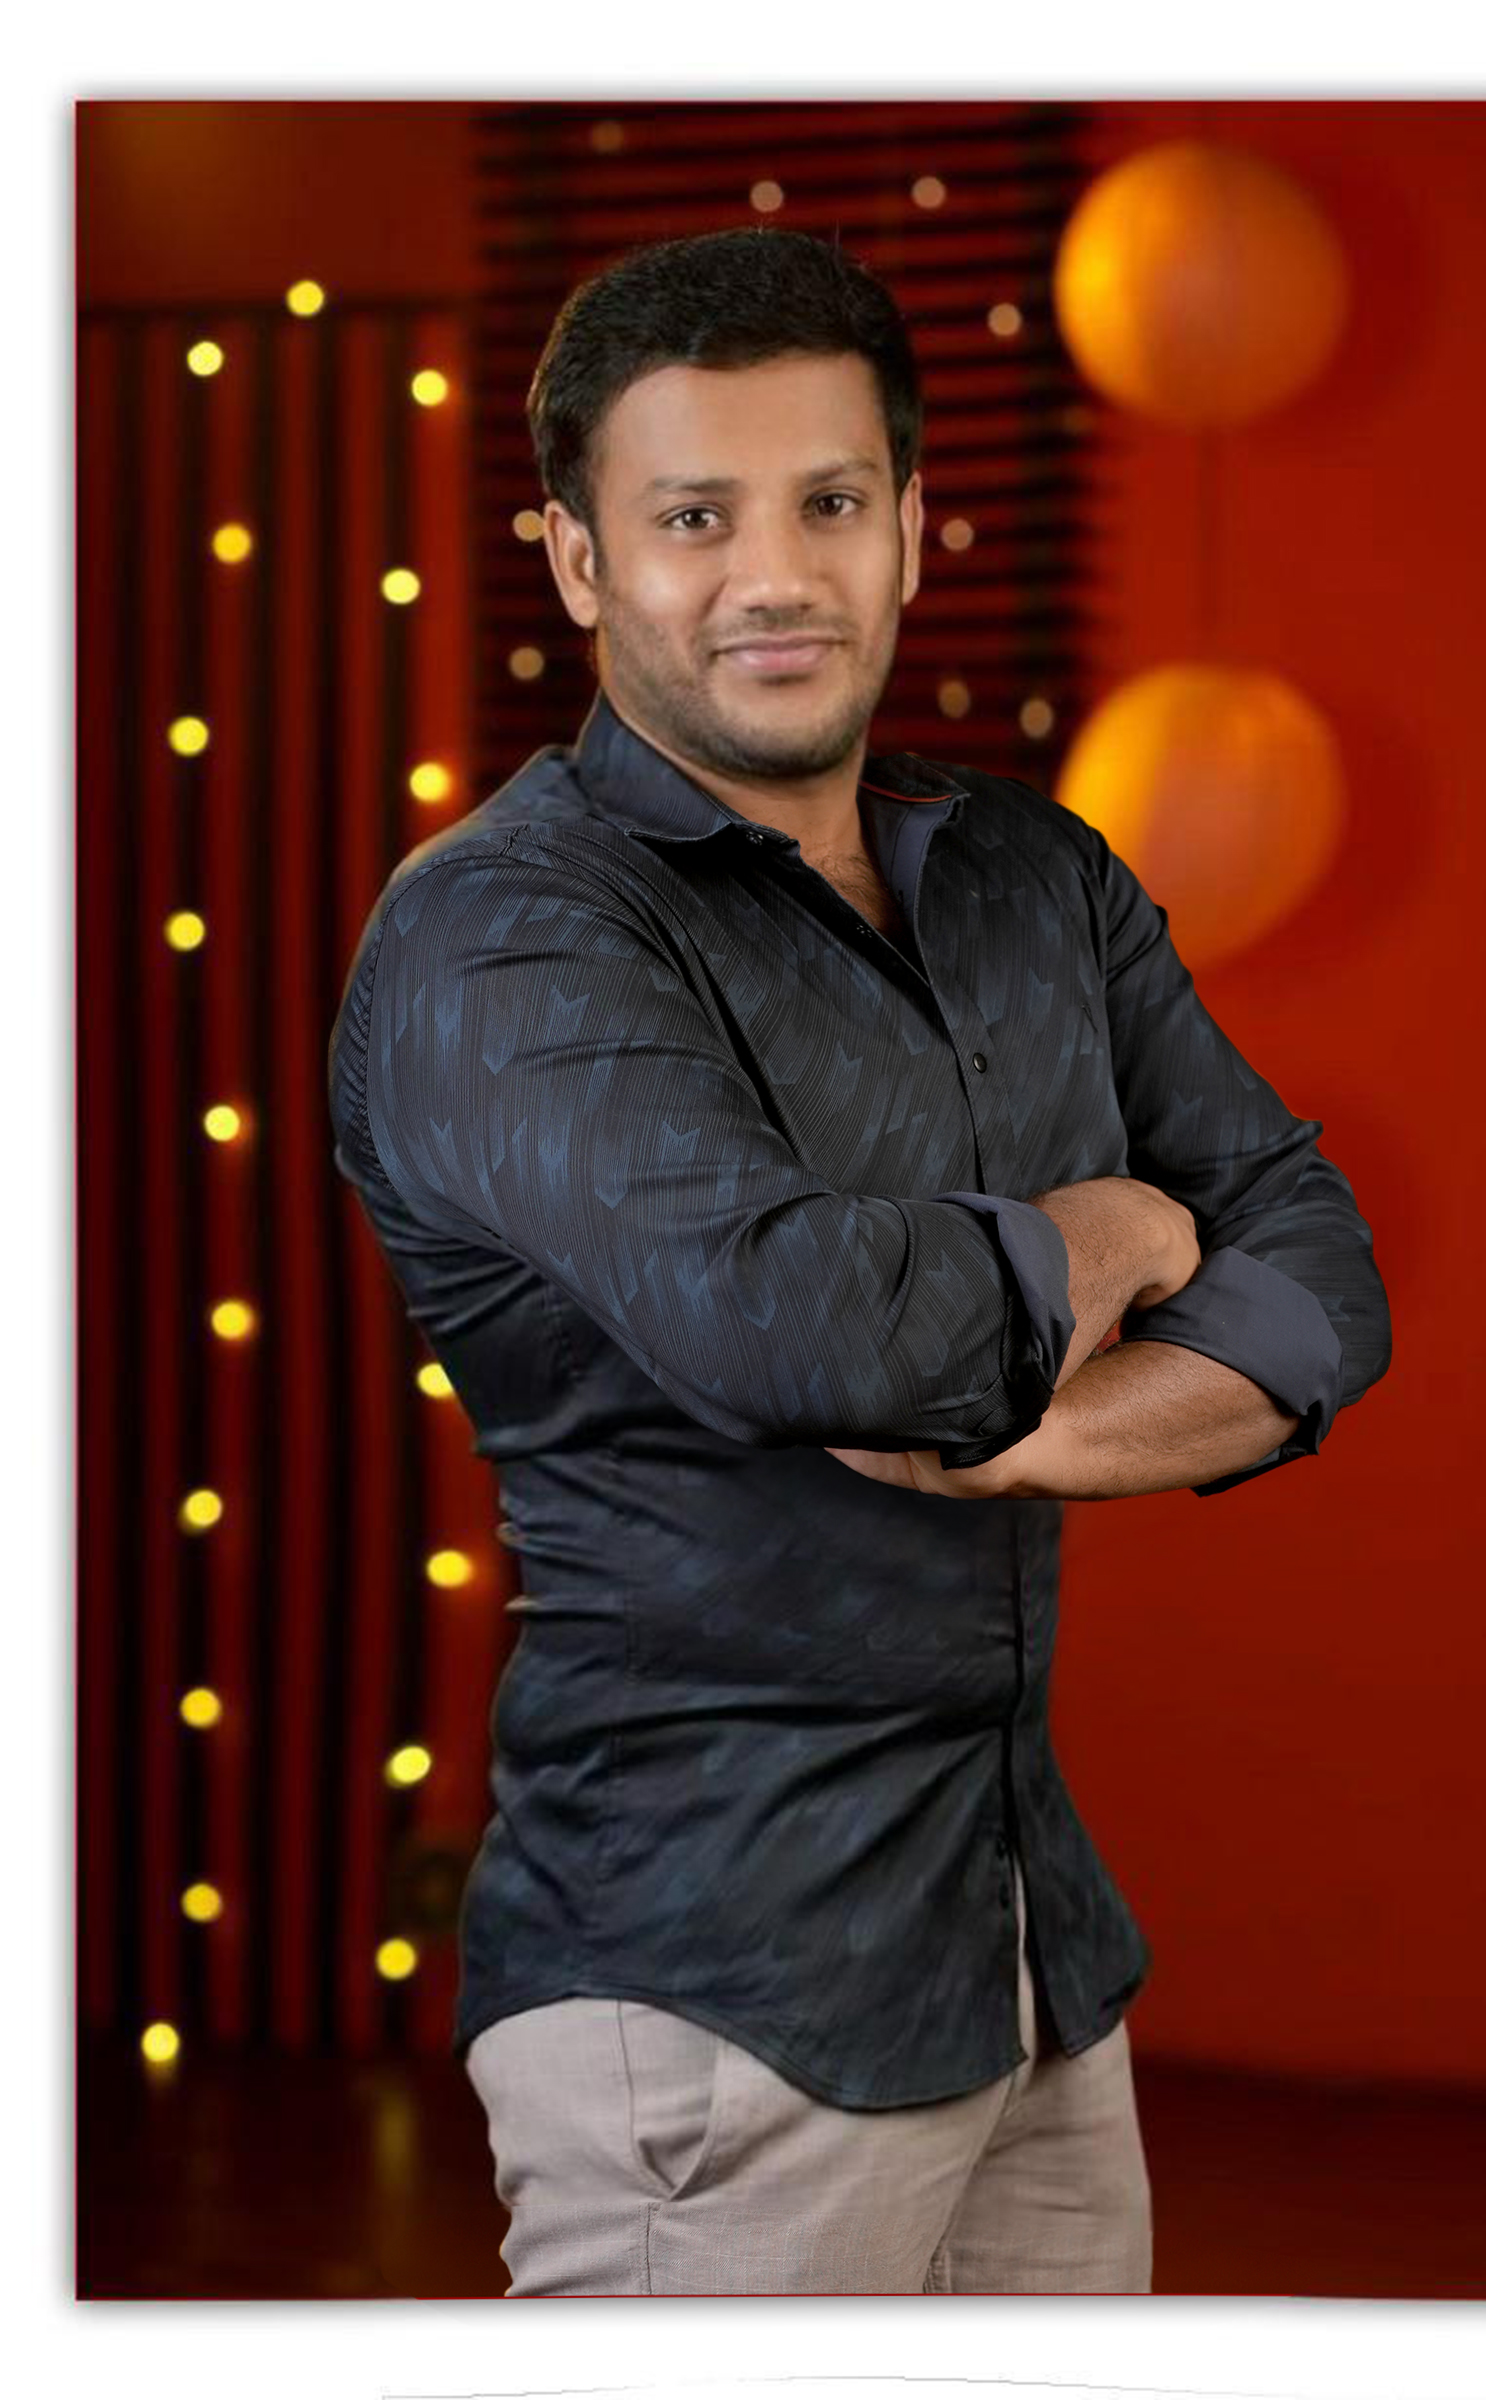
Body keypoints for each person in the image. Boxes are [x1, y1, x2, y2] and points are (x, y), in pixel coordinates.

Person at [326, 224, 1392, 2297]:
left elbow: (1323, 1279)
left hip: (1024, 1954)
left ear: (910, 525)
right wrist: (1120, 1225)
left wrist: (1029, 1440)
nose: (774, 575)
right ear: (578, 563)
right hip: (709, 1994)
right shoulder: (500, 935)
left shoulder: (1033, 877)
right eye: (692, 517)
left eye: (828, 502)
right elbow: (817, 1333)